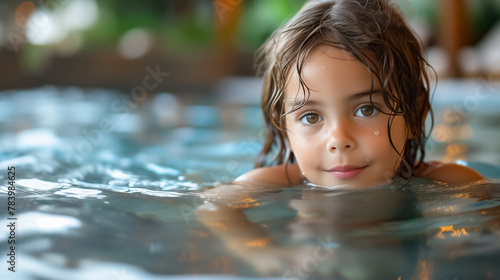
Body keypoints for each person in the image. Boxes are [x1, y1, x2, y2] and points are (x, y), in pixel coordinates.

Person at [236, 0, 484, 188]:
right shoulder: (274, 186)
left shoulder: (449, 183)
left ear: (415, 116)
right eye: (311, 117)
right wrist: (269, 256)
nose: (339, 139)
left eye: (366, 109)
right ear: (284, 129)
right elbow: (215, 211)